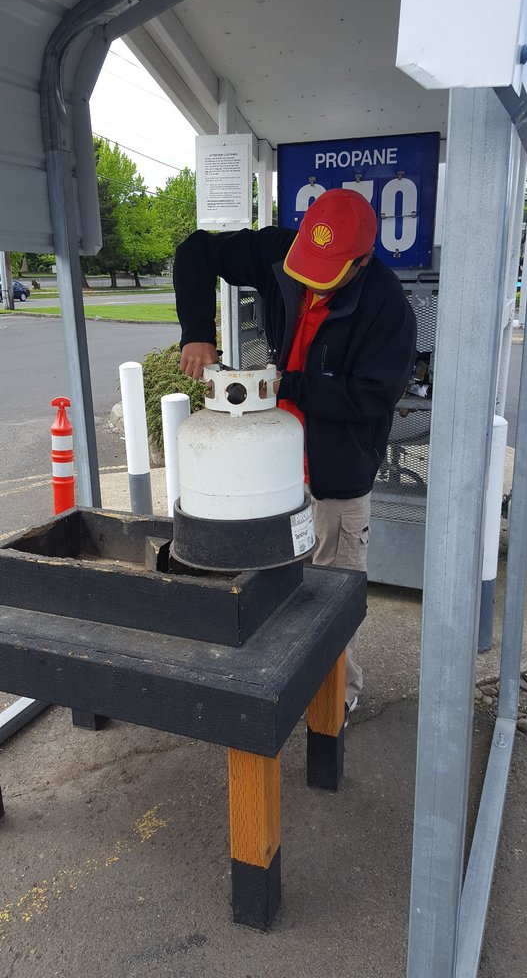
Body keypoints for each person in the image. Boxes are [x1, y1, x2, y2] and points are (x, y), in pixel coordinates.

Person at [174, 188, 416, 722]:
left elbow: (370, 395)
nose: (311, 282)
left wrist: (287, 384)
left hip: (335, 475)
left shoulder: (388, 307)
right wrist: (197, 332)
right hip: (275, 471)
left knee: (332, 595)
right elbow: (196, 250)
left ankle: (335, 700)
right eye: (308, 266)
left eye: (326, 274)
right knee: (271, 581)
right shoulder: (279, 253)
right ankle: (277, 683)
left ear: (360, 262)